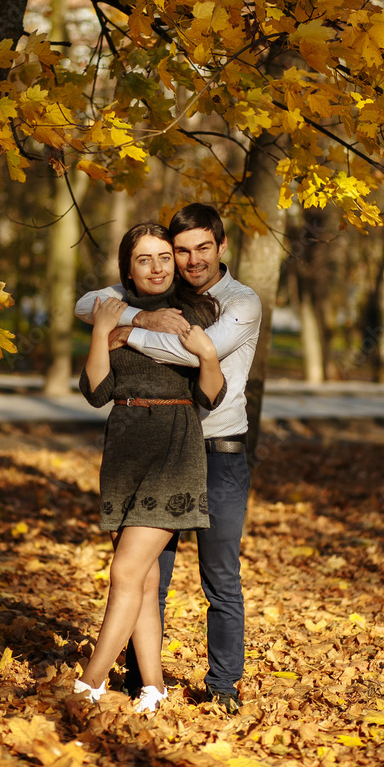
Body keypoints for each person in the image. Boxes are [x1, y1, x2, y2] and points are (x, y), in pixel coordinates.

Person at [75, 203, 262, 712]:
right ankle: (147, 684)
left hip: (209, 450)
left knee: (215, 578)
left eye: (200, 248)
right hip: (132, 449)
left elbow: (199, 357)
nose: (185, 260)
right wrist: (125, 318)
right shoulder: (135, 301)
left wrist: (126, 331)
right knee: (147, 576)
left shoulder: (236, 303)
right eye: (178, 251)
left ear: (222, 248)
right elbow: (85, 306)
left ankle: (221, 688)